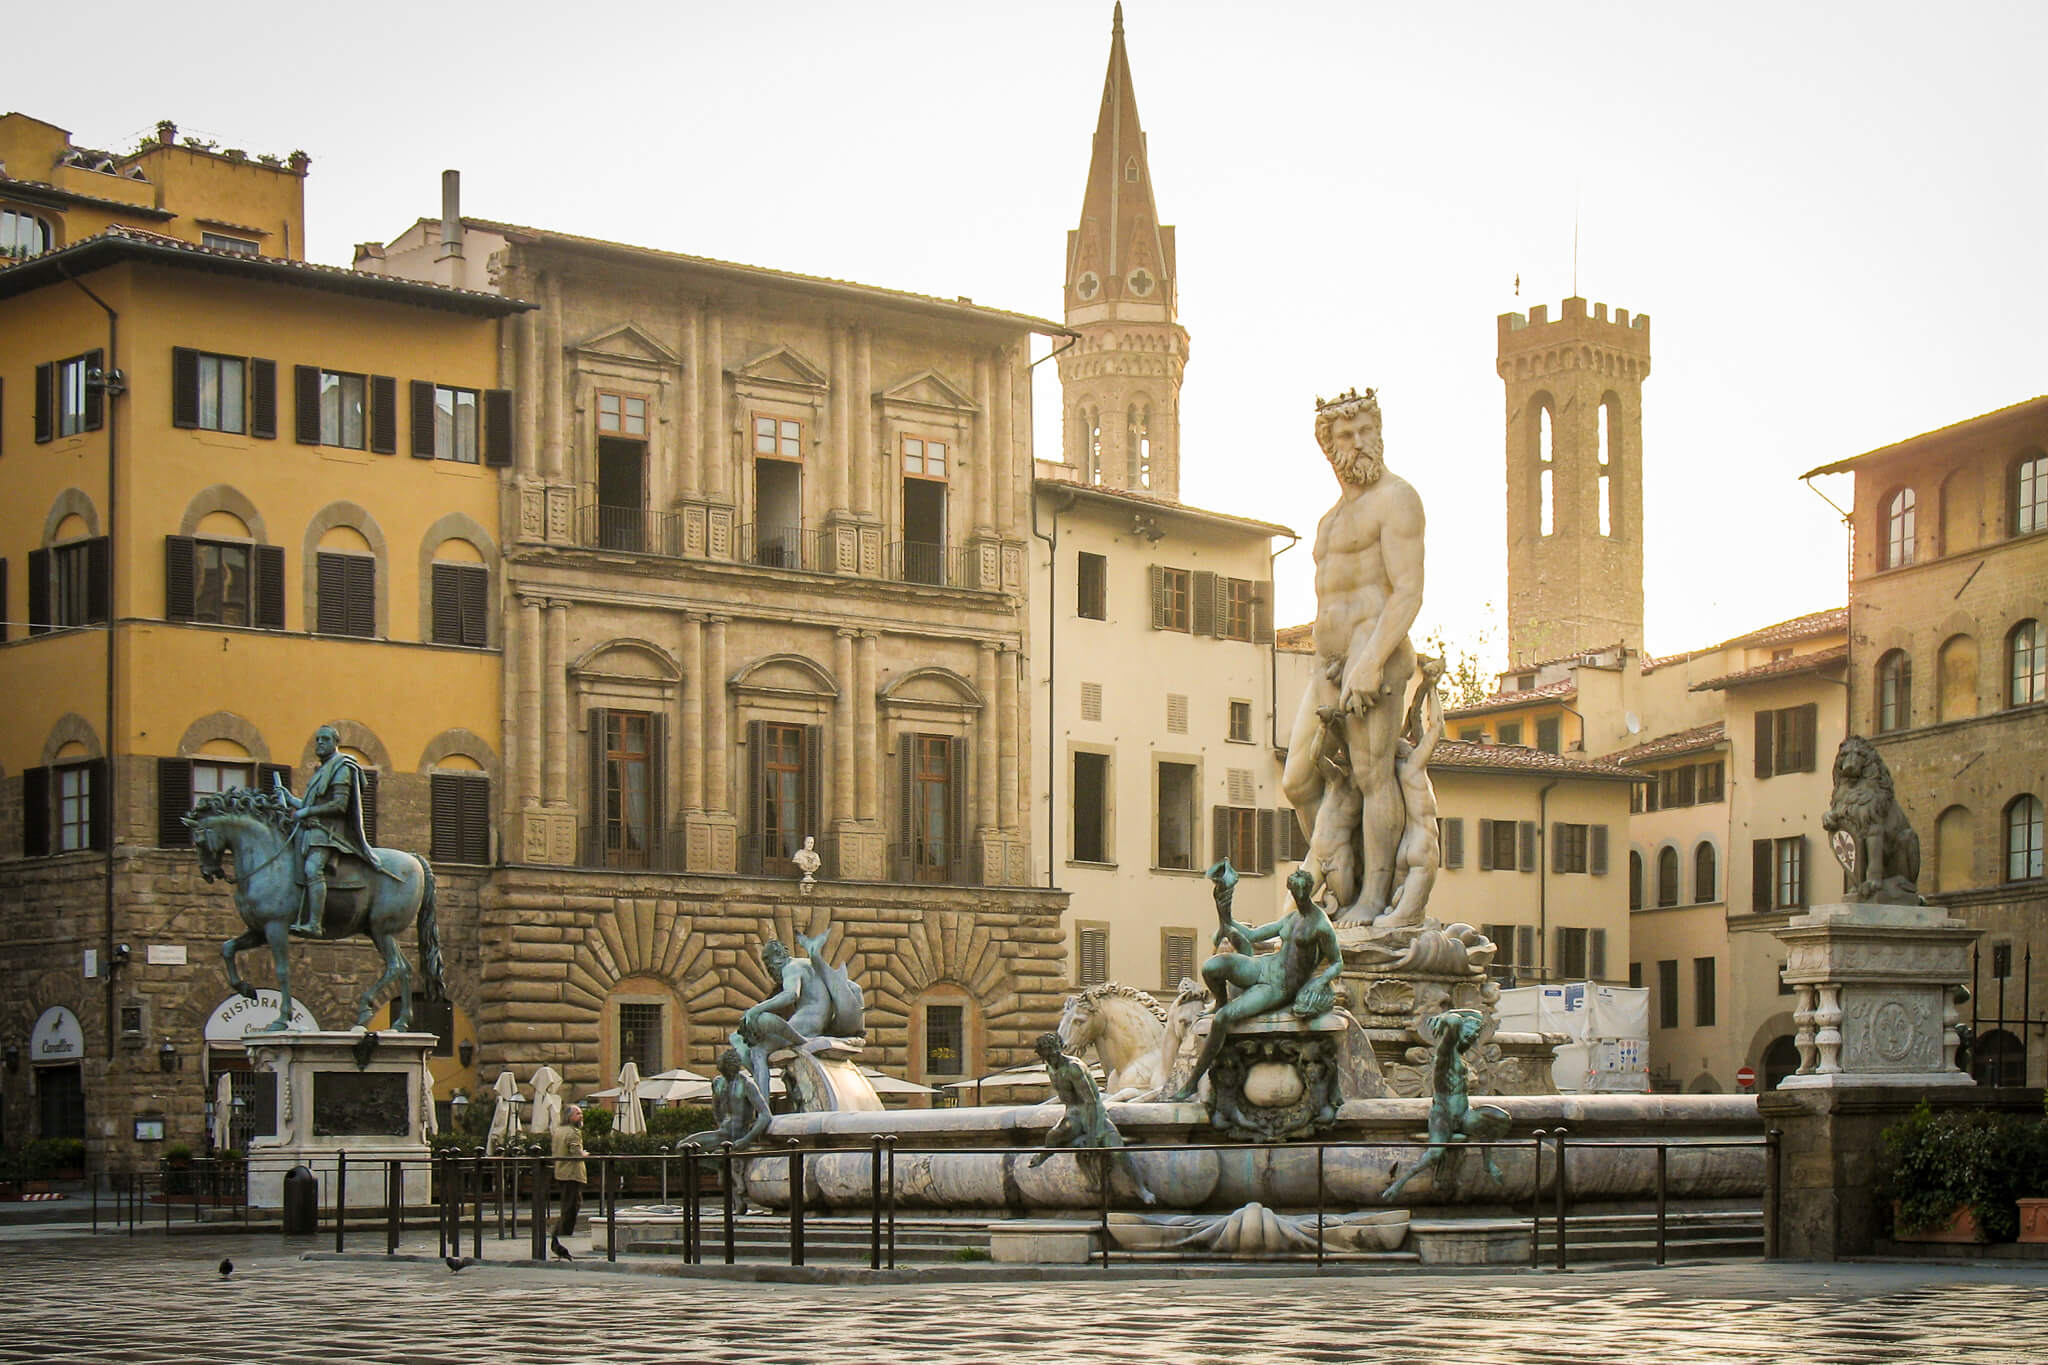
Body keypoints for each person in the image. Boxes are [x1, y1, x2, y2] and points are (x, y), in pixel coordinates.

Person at [1279, 389, 1426, 926]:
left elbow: (1408, 590)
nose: (1360, 442)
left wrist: (1370, 661)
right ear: (1328, 446)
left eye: (1366, 430)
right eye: (1347, 434)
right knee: (1298, 780)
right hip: (1328, 664)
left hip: (1375, 654)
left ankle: (1375, 898)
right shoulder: (1328, 522)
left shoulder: (1398, 499)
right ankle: (1344, 875)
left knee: (1372, 776)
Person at [1169, 866, 1345, 1101]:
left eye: (1302, 892)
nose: (1298, 896)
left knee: (1222, 1020)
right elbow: (1253, 936)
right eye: (1295, 891)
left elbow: (1337, 962)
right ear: (1291, 890)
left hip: (1280, 986)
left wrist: (1319, 982)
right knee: (1211, 967)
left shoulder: (1321, 925)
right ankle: (1220, 1001)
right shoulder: (1292, 917)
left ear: (1309, 890)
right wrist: (1226, 914)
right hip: (1265, 965)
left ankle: (1192, 1082)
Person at [277, 724, 392, 936]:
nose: (319, 743)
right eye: (317, 739)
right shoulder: (324, 769)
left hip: (330, 833)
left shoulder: (342, 767)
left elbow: (339, 805)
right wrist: (291, 799)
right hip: (315, 830)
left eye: (324, 739)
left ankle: (314, 923)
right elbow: (313, 803)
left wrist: (306, 811)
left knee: (313, 869)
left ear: (335, 742)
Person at [1027, 1033, 1156, 1205]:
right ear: (1041, 1054)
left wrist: (1093, 1134)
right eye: (1048, 1054)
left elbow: (1091, 1102)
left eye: (1055, 1051)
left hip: (1093, 1112)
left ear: (1061, 1048)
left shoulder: (1073, 1067)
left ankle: (1141, 1188)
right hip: (1072, 1114)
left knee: (1116, 1149)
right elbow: (1069, 1102)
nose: (1053, 1056)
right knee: (1053, 1136)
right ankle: (1048, 1154)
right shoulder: (1050, 1068)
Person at [684, 1048, 773, 1150]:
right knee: (682, 1147)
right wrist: (722, 1124)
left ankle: (716, 1162)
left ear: (733, 1069)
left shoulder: (747, 1084)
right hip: (723, 1134)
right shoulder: (718, 1083)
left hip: (740, 1135)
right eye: (723, 1073)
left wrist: (747, 1140)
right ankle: (714, 1164)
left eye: (726, 1073)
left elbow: (765, 1115)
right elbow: (716, 1109)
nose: (725, 1076)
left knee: (689, 1149)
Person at [549, 1103, 586, 1261]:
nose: (581, 1116)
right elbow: (575, 1151)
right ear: (570, 1117)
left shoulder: (558, 1131)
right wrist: (583, 1154)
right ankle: (561, 1235)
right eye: (578, 1114)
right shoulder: (572, 1132)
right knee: (571, 1205)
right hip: (572, 1173)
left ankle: (560, 1235)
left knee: (570, 1203)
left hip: (561, 1172)